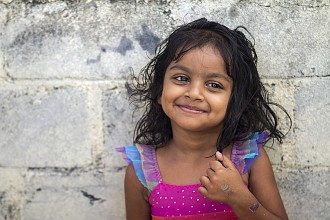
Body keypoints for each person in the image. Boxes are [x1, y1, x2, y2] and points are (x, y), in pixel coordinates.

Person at [117, 18, 291, 220]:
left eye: (214, 85)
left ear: (235, 101)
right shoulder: (142, 170)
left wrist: (240, 198)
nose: (194, 93)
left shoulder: (248, 158)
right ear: (159, 89)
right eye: (181, 78)